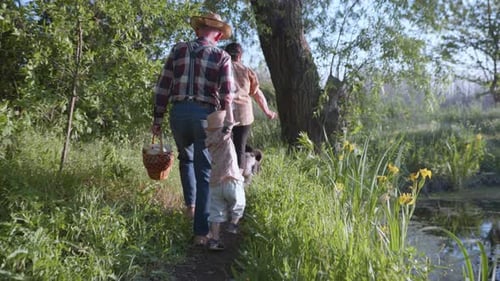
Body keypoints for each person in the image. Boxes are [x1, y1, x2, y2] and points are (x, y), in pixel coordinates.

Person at [151, 12, 235, 246]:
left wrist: (157, 119)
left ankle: (191, 207)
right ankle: (201, 232)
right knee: (205, 172)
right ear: (217, 35)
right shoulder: (222, 56)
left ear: (198, 30)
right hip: (205, 116)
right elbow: (228, 95)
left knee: (185, 159)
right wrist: (228, 124)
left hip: (178, 114)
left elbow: (163, 86)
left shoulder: (178, 49)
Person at [224, 42, 277, 176]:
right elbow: (257, 94)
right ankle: (238, 179)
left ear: (225, 54)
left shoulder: (220, 69)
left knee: (223, 147)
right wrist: (268, 111)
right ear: (240, 55)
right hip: (244, 114)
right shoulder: (247, 71)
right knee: (240, 147)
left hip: (224, 114)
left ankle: (224, 177)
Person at [204, 110, 245, 251]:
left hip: (215, 182)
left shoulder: (209, 140)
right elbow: (225, 131)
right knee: (239, 203)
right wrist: (231, 125)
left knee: (216, 212)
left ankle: (215, 241)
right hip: (231, 178)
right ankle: (233, 223)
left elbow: (220, 133)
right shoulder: (225, 138)